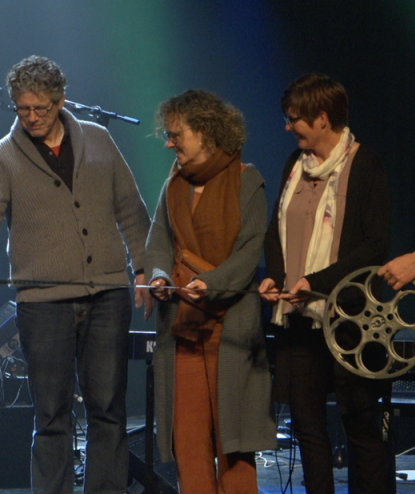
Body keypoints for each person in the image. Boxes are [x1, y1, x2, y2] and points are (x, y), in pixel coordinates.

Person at [0, 56, 150, 494]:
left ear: (60, 100)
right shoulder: (3, 155)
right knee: (51, 415)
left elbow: (130, 207)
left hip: (107, 292)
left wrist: (144, 265)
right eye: (22, 109)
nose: (31, 118)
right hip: (43, 300)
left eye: (41, 108)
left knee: (107, 409)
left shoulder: (98, 140)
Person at [258, 74, 392, 494]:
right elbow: (275, 229)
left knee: (360, 425)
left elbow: (375, 244)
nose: (287, 126)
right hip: (298, 317)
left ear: (321, 119)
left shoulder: (363, 163)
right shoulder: (294, 165)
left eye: (294, 119)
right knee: (308, 426)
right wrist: (274, 277)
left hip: (347, 317)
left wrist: (314, 282)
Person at [144, 90, 276, 494]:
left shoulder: (245, 179)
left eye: (175, 134)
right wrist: (161, 277)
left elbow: (251, 248)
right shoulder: (173, 183)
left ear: (203, 132)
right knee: (188, 440)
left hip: (230, 328)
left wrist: (213, 283)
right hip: (183, 328)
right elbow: (158, 243)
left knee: (233, 443)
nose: (169, 143)